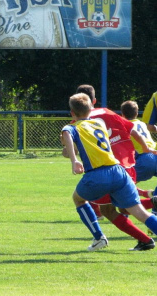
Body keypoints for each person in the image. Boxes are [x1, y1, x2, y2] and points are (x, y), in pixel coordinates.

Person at [61, 93, 157, 251]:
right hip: (119, 170)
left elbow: (67, 134)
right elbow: (129, 131)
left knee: (78, 199)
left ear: (72, 113)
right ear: (92, 105)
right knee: (139, 212)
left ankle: (98, 237)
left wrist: (74, 160)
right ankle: (146, 236)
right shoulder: (99, 124)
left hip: (99, 173)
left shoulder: (73, 127)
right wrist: (146, 148)